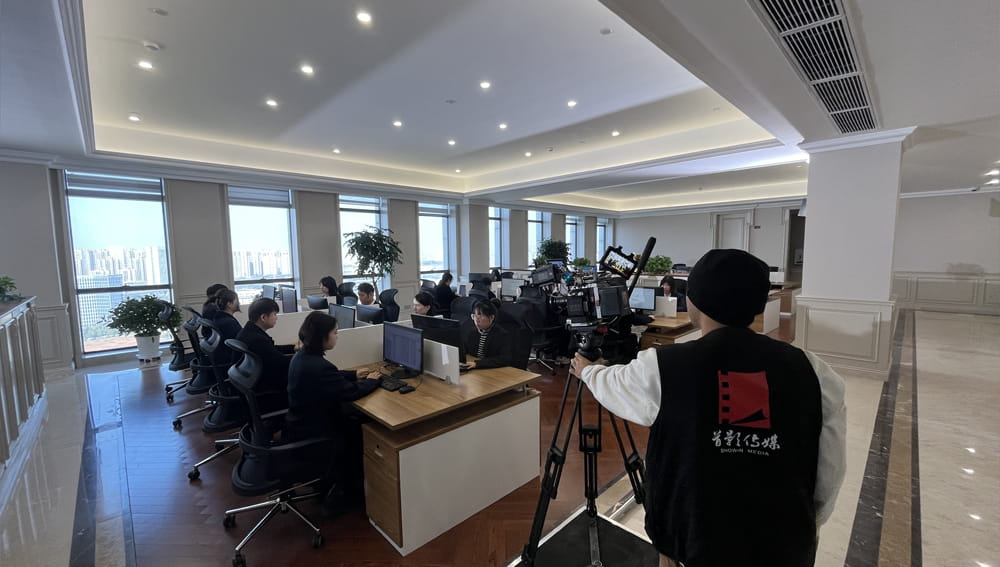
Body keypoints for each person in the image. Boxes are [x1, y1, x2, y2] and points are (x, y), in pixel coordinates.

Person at [572, 249, 846, 567]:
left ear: (694, 301)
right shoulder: (815, 372)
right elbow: (829, 471)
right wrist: (808, 523)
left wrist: (588, 371)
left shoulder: (662, 366)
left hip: (690, 540)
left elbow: (614, 386)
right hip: (782, 544)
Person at [285, 312, 382, 505]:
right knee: (362, 425)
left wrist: (353, 374)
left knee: (353, 415)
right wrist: (373, 381)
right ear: (323, 336)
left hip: (300, 424)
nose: (338, 336)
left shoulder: (302, 356)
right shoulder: (319, 366)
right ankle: (348, 489)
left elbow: (331, 377)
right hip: (318, 431)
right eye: (335, 332)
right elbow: (350, 392)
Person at [236, 298, 295, 394]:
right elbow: (281, 363)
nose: (276, 318)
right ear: (263, 317)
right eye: (274, 314)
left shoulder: (247, 332)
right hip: (264, 389)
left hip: (250, 382)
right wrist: (302, 357)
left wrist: (293, 348)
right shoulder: (257, 340)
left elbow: (271, 350)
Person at [461, 301, 514, 370]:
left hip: (494, 370)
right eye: (474, 316)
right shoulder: (471, 331)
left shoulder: (502, 334)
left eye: (480, 315)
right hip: (475, 368)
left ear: (491, 317)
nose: (476, 319)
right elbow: (464, 349)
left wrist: (478, 364)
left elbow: (504, 359)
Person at [207, 289, 242, 367]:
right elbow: (241, 344)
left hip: (222, 360)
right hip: (232, 364)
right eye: (237, 301)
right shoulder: (229, 323)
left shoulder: (219, 318)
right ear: (229, 304)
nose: (239, 303)